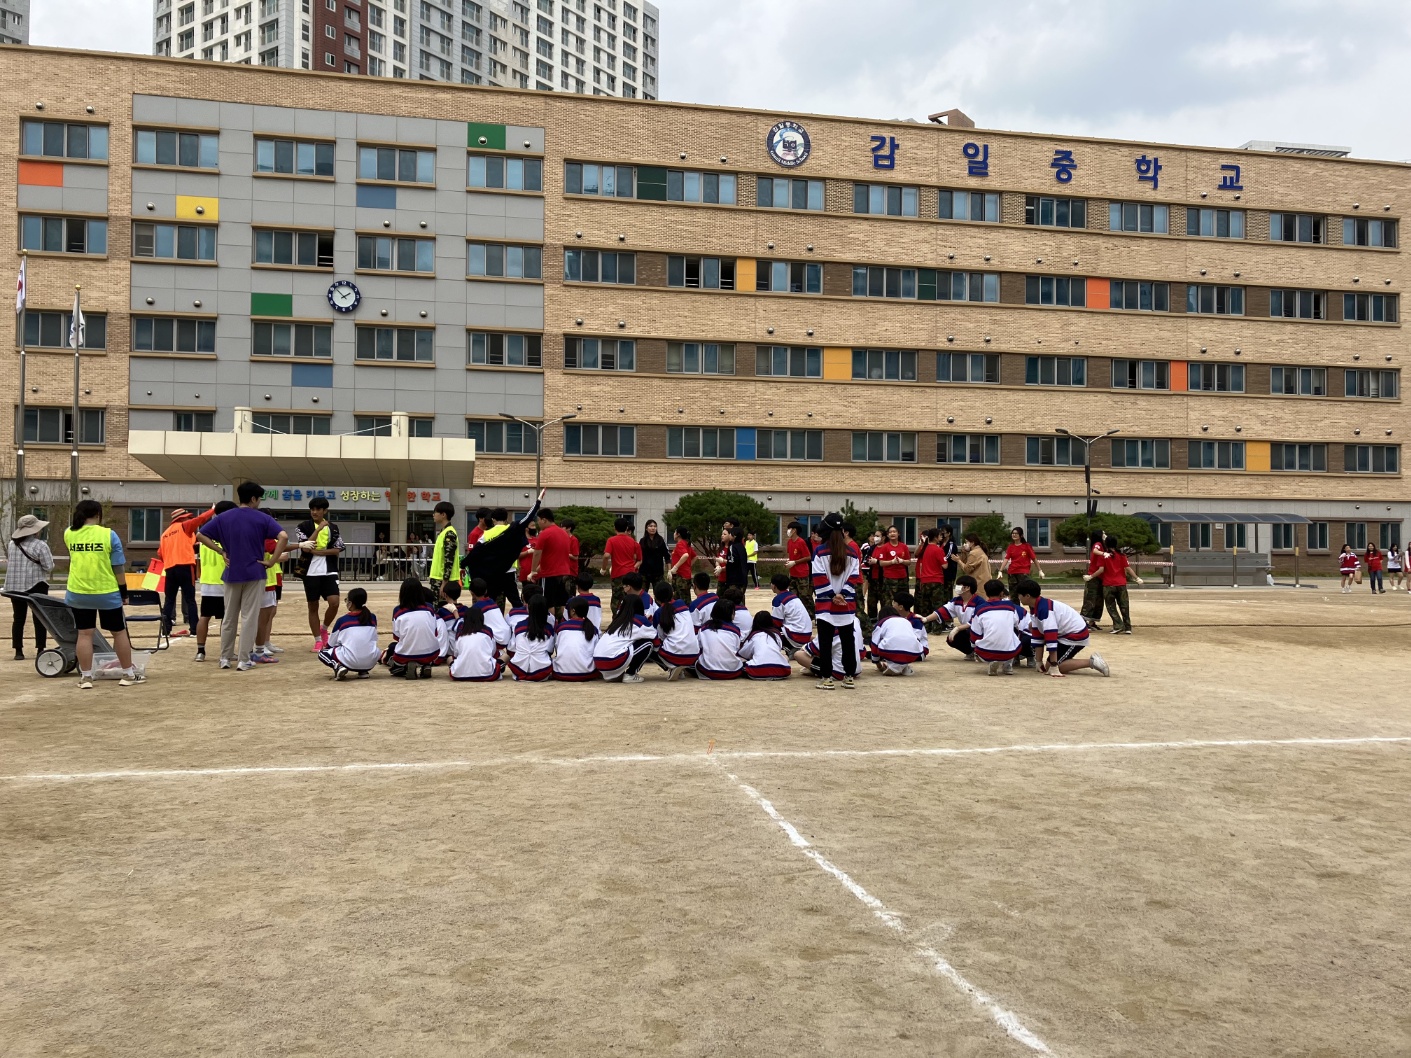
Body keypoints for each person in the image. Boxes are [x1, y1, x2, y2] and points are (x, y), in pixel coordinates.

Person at [196, 482, 290, 671]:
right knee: (249, 617)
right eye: (259, 498)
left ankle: (224, 657)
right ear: (254, 498)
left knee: (229, 617)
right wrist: (272, 561)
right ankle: (244, 659)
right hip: (255, 572)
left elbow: (200, 535)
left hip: (232, 572)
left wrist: (221, 550)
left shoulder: (225, 517)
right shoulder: (262, 518)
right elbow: (283, 536)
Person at [63, 499, 143, 688]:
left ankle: (86, 677)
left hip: (78, 591)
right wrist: (124, 592)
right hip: (107, 591)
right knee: (118, 632)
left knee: (84, 634)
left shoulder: (69, 533)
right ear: (98, 515)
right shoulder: (109, 535)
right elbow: (118, 568)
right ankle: (128, 674)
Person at [462, 494, 544, 609]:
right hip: (509, 571)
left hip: (492, 573)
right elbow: (528, 517)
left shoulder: (486, 534)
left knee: (490, 599)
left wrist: (463, 564)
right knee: (515, 600)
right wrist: (538, 501)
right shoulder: (512, 530)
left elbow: (475, 553)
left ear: (493, 519)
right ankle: (522, 619)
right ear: (506, 519)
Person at [1015, 579, 1110, 678]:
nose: (1018, 597)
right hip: (1065, 634)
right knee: (1049, 663)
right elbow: (1037, 635)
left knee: (1050, 666)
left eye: (1019, 595)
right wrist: (1038, 662)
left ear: (1027, 596)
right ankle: (1061, 662)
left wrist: (1054, 665)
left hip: (1076, 635)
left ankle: (1092, 662)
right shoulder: (1035, 606)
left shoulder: (1044, 610)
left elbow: (1051, 638)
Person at [812, 512, 861, 690]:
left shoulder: (819, 551)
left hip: (826, 605)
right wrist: (842, 594)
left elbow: (818, 577)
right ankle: (849, 677)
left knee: (825, 642)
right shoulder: (852, 553)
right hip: (846, 605)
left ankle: (827, 678)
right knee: (848, 641)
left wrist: (832, 595)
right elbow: (854, 577)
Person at [295, 497, 345, 652]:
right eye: (312, 509)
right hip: (310, 571)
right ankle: (318, 640)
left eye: (318, 509)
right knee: (313, 605)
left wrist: (318, 552)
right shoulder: (302, 527)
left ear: (325, 511)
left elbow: (337, 549)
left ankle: (324, 628)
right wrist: (317, 530)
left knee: (334, 602)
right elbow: (305, 548)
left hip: (329, 569)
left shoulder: (334, 527)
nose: (314, 512)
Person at [192, 500, 236, 662]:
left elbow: (198, 558)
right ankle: (227, 652)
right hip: (225, 581)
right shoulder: (227, 530)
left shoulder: (205, 531)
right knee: (228, 619)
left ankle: (200, 652)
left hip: (208, 582)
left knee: (204, 616)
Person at [6, 513, 54, 661]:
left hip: (15, 586)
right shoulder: (40, 545)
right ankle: (40, 648)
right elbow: (49, 566)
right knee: (39, 618)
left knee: (18, 618)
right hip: (36, 584)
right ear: (35, 530)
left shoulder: (12, 544)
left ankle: (18, 651)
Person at [155, 508, 199, 639]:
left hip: (170, 568)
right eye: (187, 517)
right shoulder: (185, 528)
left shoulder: (165, 534)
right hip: (185, 566)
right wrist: (213, 511)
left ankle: (166, 630)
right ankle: (194, 629)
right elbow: (199, 520)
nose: (189, 519)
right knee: (190, 599)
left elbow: (160, 553)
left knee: (169, 600)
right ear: (182, 518)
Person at [318, 587, 380, 680]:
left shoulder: (342, 620)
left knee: (322, 653)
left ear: (350, 604)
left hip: (350, 662)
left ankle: (337, 666)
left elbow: (330, 644)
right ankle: (363, 671)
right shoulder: (372, 618)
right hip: (370, 662)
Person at [386, 576, 441, 679]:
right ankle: (426, 664)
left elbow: (397, 637)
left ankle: (406, 666)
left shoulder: (398, 611)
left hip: (405, 654)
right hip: (431, 652)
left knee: (394, 652)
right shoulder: (429, 608)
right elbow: (435, 632)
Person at [917, 575, 981, 661]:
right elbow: (942, 611)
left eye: (959, 585)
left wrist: (957, 628)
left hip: (980, 632)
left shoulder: (979, 602)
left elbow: (974, 621)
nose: (956, 587)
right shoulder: (956, 601)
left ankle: (980, 652)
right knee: (952, 639)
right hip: (967, 631)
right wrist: (926, 619)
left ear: (967, 588)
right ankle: (971, 652)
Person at [594, 594, 655, 683]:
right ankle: (630, 674)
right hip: (612, 662)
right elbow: (655, 637)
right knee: (648, 643)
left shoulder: (616, 621)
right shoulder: (639, 620)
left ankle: (614, 673)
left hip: (599, 663)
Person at [968, 579, 1023, 676]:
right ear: (1002, 593)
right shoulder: (1010, 606)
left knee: (983, 634)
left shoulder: (980, 609)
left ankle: (991, 661)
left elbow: (975, 633)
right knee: (1012, 633)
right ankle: (1008, 665)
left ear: (986, 592)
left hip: (986, 652)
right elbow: (1017, 623)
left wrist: (974, 646)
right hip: (1009, 651)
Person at [527, 507, 576, 617]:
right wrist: (536, 570)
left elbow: (537, 553)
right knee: (562, 601)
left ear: (544, 520)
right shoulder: (564, 534)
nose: (538, 523)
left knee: (548, 603)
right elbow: (551, 557)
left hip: (549, 574)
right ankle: (561, 625)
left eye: (538, 520)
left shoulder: (544, 533)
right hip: (564, 573)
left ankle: (549, 627)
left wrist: (533, 571)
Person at [651, 580, 700, 680]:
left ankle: (671, 666)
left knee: (649, 643)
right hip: (694, 654)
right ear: (672, 593)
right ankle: (679, 668)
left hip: (673, 654)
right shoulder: (682, 604)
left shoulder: (659, 613)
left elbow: (659, 636)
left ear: (656, 597)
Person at [870, 591, 925, 676]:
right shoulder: (906, 621)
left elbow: (874, 644)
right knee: (900, 647)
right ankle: (902, 666)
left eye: (894, 603)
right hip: (914, 652)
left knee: (885, 643)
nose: (892, 604)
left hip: (903, 652)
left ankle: (894, 667)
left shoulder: (882, 622)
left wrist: (878, 664)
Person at [1094, 546, 1144, 633]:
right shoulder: (1122, 555)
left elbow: (1101, 570)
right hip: (1121, 584)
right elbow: (1128, 568)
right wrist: (1137, 578)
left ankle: (1118, 625)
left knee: (1111, 607)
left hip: (1108, 584)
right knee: (1124, 605)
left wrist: (1091, 576)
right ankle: (1127, 627)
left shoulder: (1104, 556)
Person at [507, 593, 555, 681]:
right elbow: (550, 651)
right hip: (541, 672)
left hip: (518, 670)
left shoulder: (519, 626)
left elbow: (511, 649)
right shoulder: (549, 629)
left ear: (528, 608)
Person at [601, 517, 642, 617]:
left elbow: (606, 555)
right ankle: (630, 618)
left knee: (617, 599)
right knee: (631, 597)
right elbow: (639, 560)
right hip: (631, 574)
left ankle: (617, 620)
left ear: (615, 528)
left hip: (618, 574)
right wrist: (633, 568)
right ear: (626, 528)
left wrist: (603, 568)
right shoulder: (633, 542)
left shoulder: (611, 540)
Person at [696, 598, 744, 680]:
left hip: (708, 672)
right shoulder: (735, 630)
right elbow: (736, 649)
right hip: (732, 672)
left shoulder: (704, 629)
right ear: (730, 615)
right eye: (733, 613)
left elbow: (698, 646)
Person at [449, 607, 502, 681]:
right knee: (504, 655)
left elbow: (456, 655)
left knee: (449, 659)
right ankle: (499, 668)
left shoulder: (461, 634)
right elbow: (493, 652)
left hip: (459, 675)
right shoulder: (487, 631)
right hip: (487, 674)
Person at [553, 597, 599, 681]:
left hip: (561, 673)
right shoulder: (593, 629)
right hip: (587, 673)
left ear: (573, 611)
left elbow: (557, 648)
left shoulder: (561, 627)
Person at [913, 528, 949, 636]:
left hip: (924, 580)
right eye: (940, 535)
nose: (941, 537)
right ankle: (937, 628)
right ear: (935, 537)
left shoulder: (925, 549)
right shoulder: (938, 550)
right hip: (936, 580)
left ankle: (926, 627)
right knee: (937, 605)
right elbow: (945, 566)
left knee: (925, 605)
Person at [769, 572, 813, 658]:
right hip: (805, 634)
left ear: (774, 586)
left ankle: (790, 650)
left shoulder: (778, 600)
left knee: (769, 631)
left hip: (796, 636)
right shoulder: (793, 596)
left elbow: (776, 623)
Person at [737, 610, 791, 679]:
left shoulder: (754, 636)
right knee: (784, 656)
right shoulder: (777, 635)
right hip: (783, 670)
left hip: (757, 670)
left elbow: (742, 654)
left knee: (740, 659)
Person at [871, 525, 911, 614]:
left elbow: (908, 562)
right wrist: (892, 562)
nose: (892, 533)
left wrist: (902, 561)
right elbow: (881, 563)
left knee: (903, 600)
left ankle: (904, 618)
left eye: (894, 531)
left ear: (898, 534)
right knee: (888, 601)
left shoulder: (903, 546)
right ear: (888, 535)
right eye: (890, 532)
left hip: (902, 577)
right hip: (889, 578)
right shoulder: (885, 547)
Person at [999, 526, 1043, 604]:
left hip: (1023, 573)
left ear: (1021, 535)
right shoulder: (1011, 547)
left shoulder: (1026, 546)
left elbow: (1034, 558)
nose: (1014, 535)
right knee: (1014, 595)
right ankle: (1016, 612)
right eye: (1013, 533)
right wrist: (1000, 571)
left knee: (1028, 593)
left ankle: (1033, 611)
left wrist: (1040, 570)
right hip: (1012, 573)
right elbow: (1006, 559)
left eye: (1016, 533)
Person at [468, 577, 513, 649]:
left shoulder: (476, 608)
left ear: (471, 593)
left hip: (498, 640)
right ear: (486, 591)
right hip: (507, 636)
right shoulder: (492, 602)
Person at [784, 520, 814, 617]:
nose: (788, 531)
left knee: (804, 596)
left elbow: (808, 557)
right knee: (793, 596)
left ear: (794, 530)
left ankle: (811, 614)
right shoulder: (789, 542)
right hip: (793, 573)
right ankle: (796, 615)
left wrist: (795, 562)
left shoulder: (801, 542)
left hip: (802, 573)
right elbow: (791, 555)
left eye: (789, 529)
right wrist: (789, 562)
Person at [1080, 530, 1109, 629]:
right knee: (1090, 599)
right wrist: (1103, 553)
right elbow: (1095, 551)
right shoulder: (1098, 544)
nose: (1105, 535)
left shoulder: (1104, 546)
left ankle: (1093, 621)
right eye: (1103, 533)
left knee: (1099, 600)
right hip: (1094, 576)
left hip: (1101, 577)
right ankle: (1082, 621)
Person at [667, 526, 697, 602]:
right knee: (677, 598)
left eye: (674, 532)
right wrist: (688, 566)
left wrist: (675, 567)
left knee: (684, 600)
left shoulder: (680, 544)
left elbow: (685, 555)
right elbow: (695, 557)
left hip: (681, 577)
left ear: (678, 534)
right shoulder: (686, 544)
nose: (673, 534)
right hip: (683, 575)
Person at [716, 525, 749, 593]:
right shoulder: (742, 547)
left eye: (731, 534)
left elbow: (733, 562)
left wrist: (723, 561)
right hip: (743, 579)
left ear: (734, 536)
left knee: (733, 599)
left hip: (735, 580)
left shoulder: (732, 547)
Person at [639, 519, 670, 588]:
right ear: (646, 528)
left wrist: (669, 570)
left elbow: (667, 556)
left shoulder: (660, 540)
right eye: (650, 526)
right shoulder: (642, 541)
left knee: (660, 593)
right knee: (642, 593)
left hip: (658, 572)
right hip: (644, 572)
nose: (653, 528)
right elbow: (638, 556)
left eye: (655, 526)